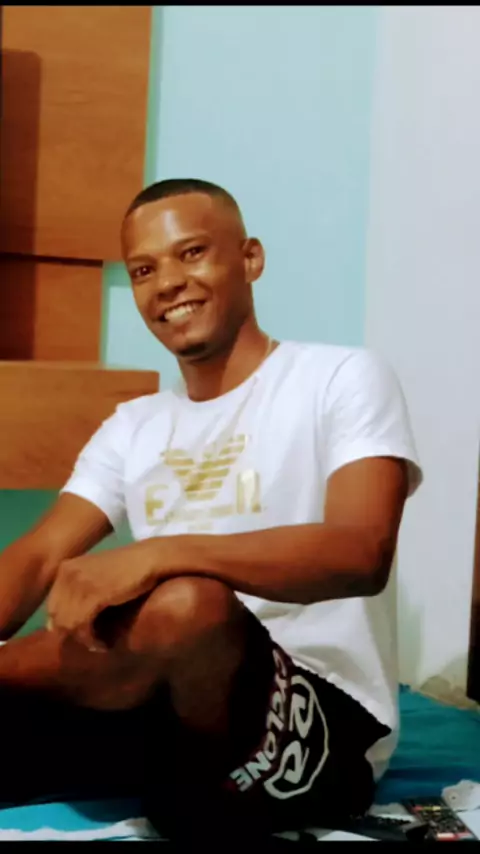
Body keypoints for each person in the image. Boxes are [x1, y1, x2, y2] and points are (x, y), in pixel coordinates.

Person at [0, 178, 421, 840]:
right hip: (162, 708)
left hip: (318, 710)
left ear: (250, 259)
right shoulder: (134, 425)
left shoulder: (340, 377)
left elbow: (361, 552)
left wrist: (160, 554)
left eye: (191, 252)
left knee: (186, 605)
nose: (168, 282)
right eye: (144, 270)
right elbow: (40, 553)